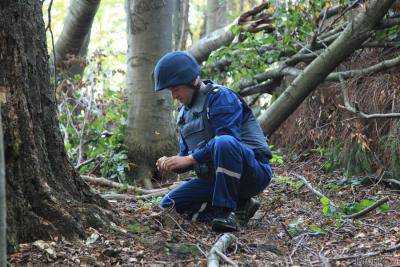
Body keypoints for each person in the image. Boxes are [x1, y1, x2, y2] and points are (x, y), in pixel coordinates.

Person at [154, 51, 273, 232]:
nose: (174, 96)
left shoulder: (220, 97)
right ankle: (242, 207)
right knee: (169, 204)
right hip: (216, 180)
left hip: (252, 173)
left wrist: (190, 159)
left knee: (224, 142)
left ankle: (225, 213)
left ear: (192, 81)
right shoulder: (184, 115)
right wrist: (173, 163)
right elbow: (187, 157)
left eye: (176, 89)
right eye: (171, 91)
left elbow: (227, 140)